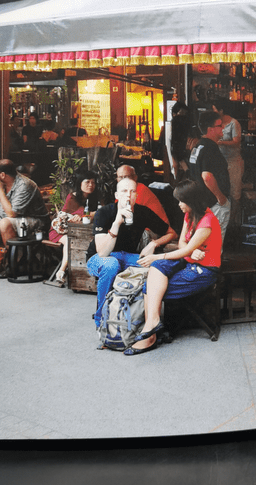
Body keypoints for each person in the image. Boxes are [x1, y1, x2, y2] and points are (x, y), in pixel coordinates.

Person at [131, 181, 223, 354]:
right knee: (157, 269)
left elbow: (185, 249)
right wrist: (191, 251)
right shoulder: (189, 215)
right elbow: (182, 243)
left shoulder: (207, 221)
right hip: (190, 262)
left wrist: (159, 255)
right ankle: (152, 326)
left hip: (205, 271)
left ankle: (150, 334)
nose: (179, 204)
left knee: (150, 287)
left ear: (192, 200)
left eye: (182, 201)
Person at [85, 177, 177, 330]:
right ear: (116, 195)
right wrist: (116, 223)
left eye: (132, 191)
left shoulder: (143, 212)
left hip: (127, 256)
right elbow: (102, 252)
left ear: (136, 195)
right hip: (100, 258)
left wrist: (154, 244)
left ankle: (149, 320)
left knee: (157, 265)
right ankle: (102, 321)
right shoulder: (105, 212)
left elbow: (171, 233)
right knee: (111, 264)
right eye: (124, 191)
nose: (128, 195)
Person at [0, 159, 49, 247]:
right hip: (5, 217)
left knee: (5, 223)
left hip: (33, 221)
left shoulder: (24, 185)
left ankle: (11, 258)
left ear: (2, 175)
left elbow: (12, 214)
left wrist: (0, 191)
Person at [44, 170, 99, 288]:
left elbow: (98, 213)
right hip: (61, 231)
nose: (91, 185)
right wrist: (90, 214)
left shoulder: (95, 199)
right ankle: (61, 272)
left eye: (93, 182)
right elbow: (69, 216)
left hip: (82, 231)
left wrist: (89, 214)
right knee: (70, 241)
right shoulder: (72, 197)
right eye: (87, 182)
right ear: (80, 183)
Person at [187, 110, 230, 246]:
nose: (223, 128)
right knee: (215, 240)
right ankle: (213, 266)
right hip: (213, 203)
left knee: (202, 239)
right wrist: (220, 198)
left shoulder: (197, 146)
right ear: (211, 129)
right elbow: (207, 176)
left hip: (201, 202)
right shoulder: (210, 148)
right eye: (219, 125)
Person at [212, 98, 244, 232]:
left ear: (221, 110)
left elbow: (237, 142)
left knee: (235, 192)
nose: (213, 112)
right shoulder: (217, 123)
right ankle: (222, 219)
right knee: (222, 190)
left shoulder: (234, 123)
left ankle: (232, 221)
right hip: (221, 162)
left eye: (214, 109)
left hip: (233, 162)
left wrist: (221, 143)